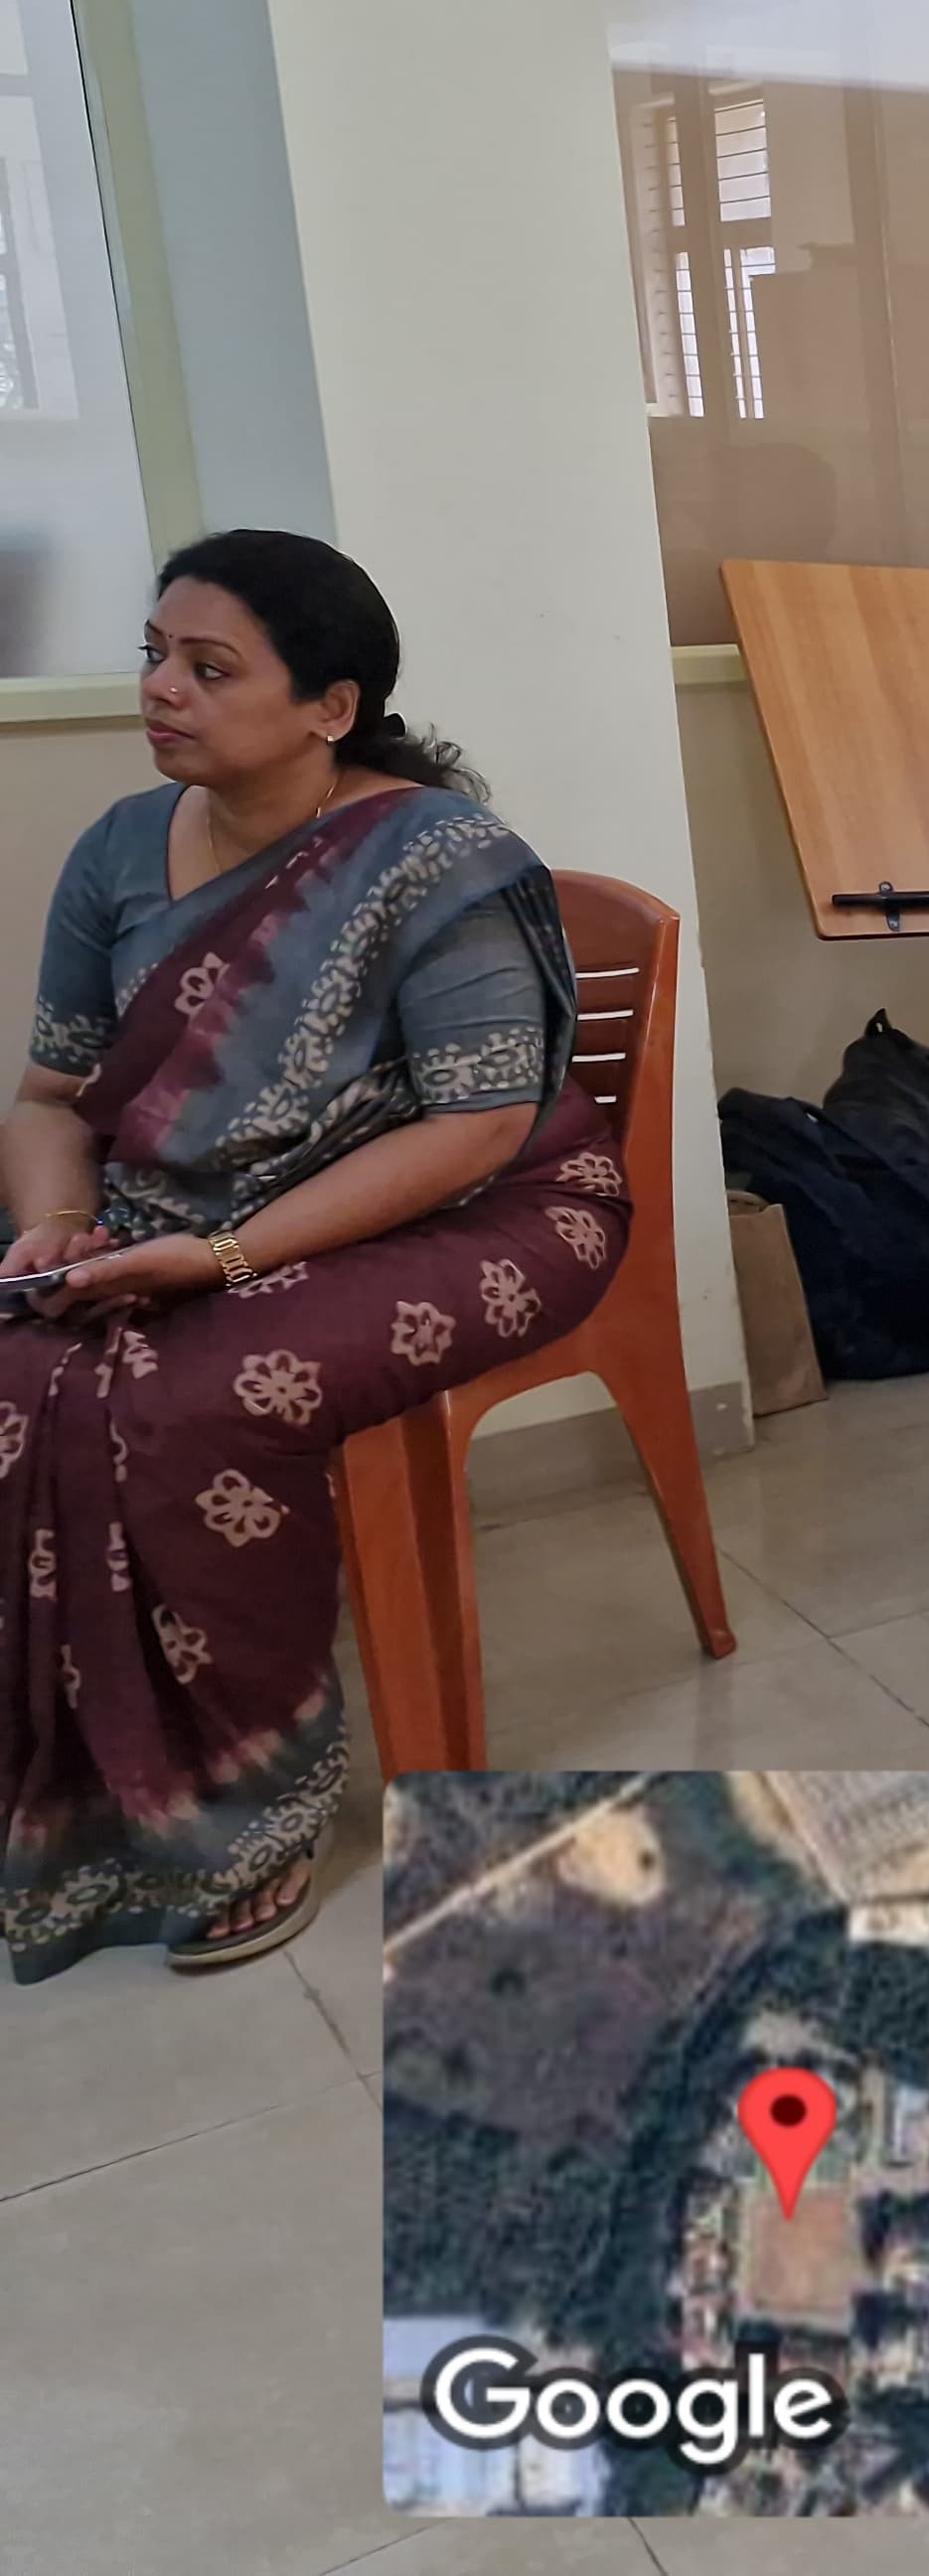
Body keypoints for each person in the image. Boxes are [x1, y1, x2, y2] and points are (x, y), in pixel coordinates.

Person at [2, 532, 626, 1982]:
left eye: (209, 668)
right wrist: (55, 1222)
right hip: (186, 1203)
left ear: (328, 708)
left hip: (492, 1207)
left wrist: (219, 1256)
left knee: (195, 1397)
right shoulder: (119, 849)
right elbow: (51, 1098)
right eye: (154, 654)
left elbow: (478, 1126)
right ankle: (77, 1773)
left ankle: (245, 1811)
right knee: (30, 1362)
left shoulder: (437, 861)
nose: (161, 689)